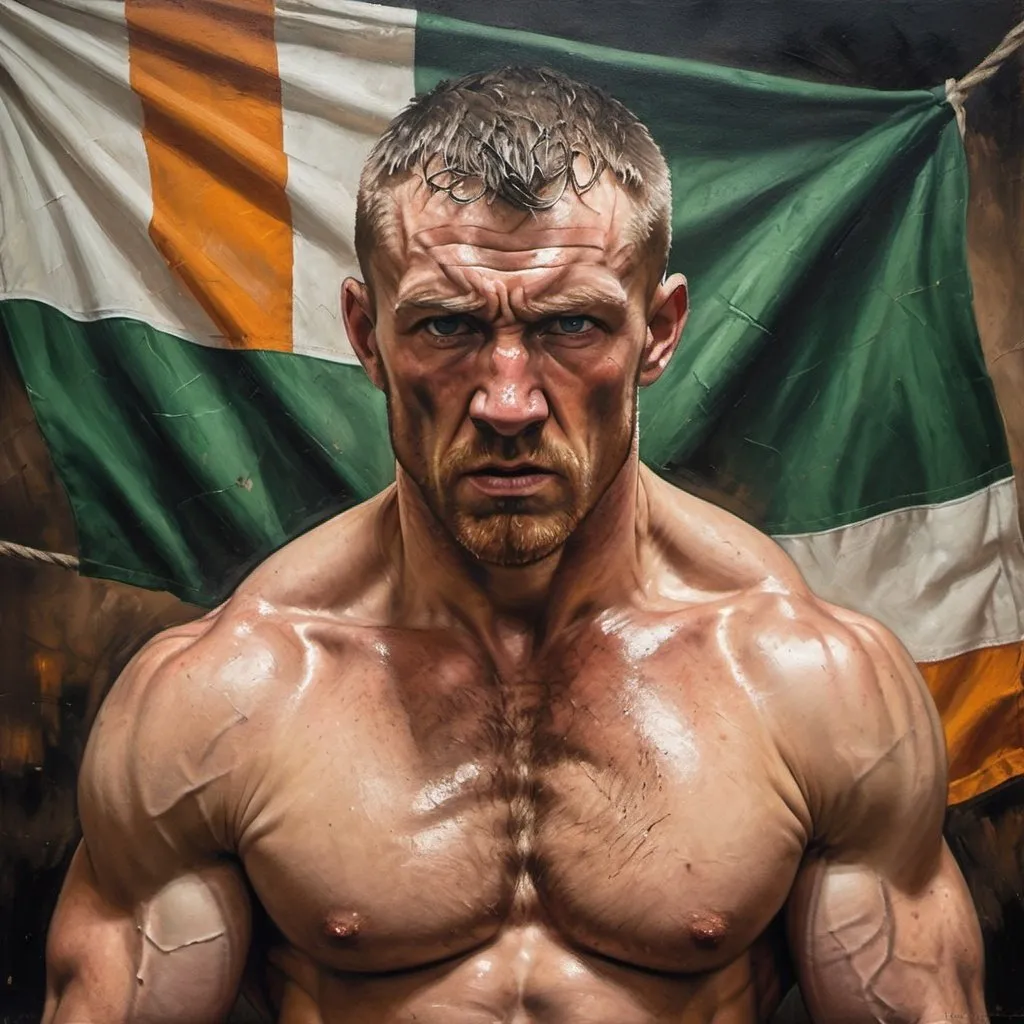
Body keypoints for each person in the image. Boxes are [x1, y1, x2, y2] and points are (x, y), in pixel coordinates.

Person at [43, 66, 986, 1023]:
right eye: (446, 326)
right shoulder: (223, 700)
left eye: (570, 324)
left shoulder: (813, 686)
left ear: (658, 333)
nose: (507, 402)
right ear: (368, 337)